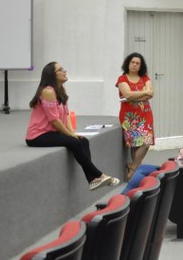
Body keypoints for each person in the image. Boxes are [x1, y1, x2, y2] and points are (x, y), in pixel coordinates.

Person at [26, 62, 119, 190]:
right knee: (74, 142)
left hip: (51, 132)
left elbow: (66, 115)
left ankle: (92, 180)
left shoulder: (61, 90)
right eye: (61, 69)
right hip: (37, 135)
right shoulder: (48, 91)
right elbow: (54, 120)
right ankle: (100, 175)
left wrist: (73, 133)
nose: (65, 71)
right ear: (53, 75)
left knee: (83, 140)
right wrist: (70, 135)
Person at [116, 52, 155, 181]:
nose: (134, 65)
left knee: (146, 143)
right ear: (128, 63)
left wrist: (134, 95)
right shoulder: (122, 79)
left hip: (145, 115)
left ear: (141, 66)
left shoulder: (145, 78)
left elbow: (151, 94)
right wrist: (143, 93)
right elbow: (127, 94)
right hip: (129, 116)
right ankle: (137, 171)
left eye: (137, 63)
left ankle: (132, 168)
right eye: (132, 62)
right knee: (135, 144)